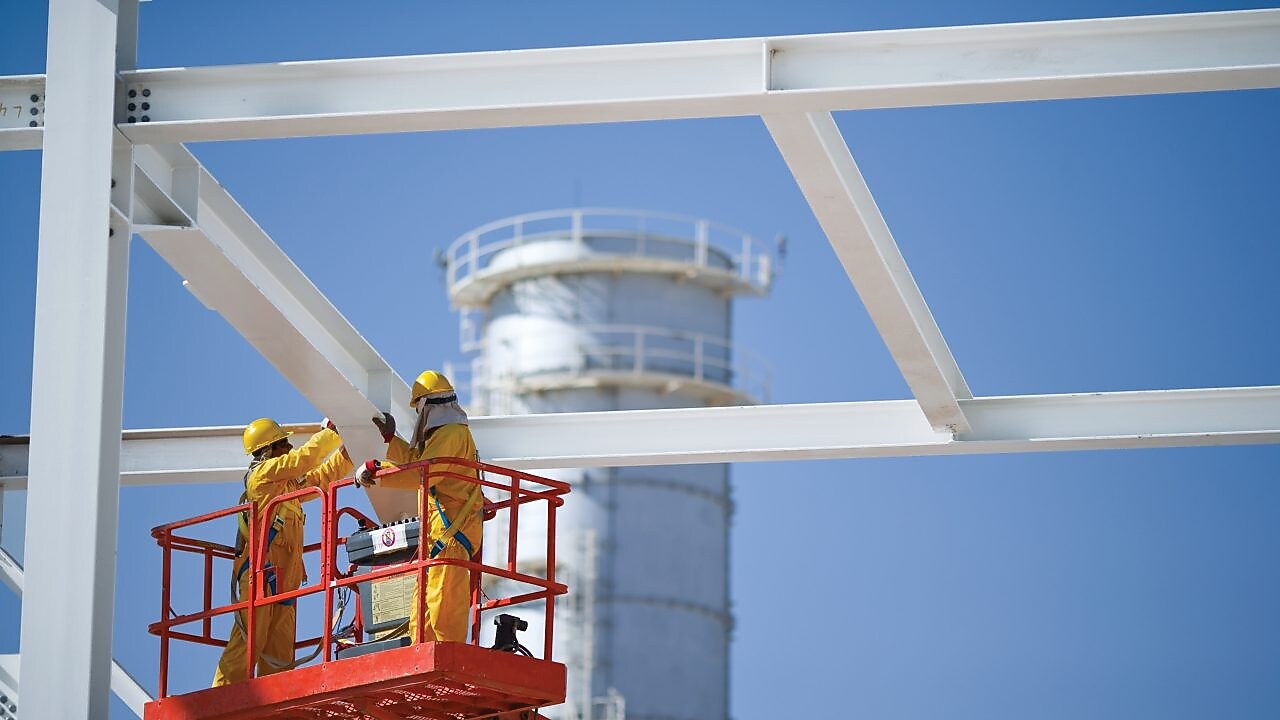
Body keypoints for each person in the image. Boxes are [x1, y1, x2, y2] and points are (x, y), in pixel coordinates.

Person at [212, 417, 352, 686]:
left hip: (283, 580)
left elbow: (319, 479)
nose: (289, 446)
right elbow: (301, 461)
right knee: (250, 640)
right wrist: (331, 434)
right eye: (283, 443)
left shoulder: (285, 486)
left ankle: (276, 695)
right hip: (259, 577)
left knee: (280, 646)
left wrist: (348, 455)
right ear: (269, 450)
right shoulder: (262, 477)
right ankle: (222, 693)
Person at [355, 369, 483, 644]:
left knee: (442, 608)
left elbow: (422, 474)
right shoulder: (446, 434)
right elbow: (419, 461)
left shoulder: (450, 434)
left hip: (450, 536)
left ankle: (448, 658)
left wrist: (378, 471)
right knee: (422, 612)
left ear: (426, 407)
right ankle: (423, 655)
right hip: (441, 535)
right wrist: (392, 440)